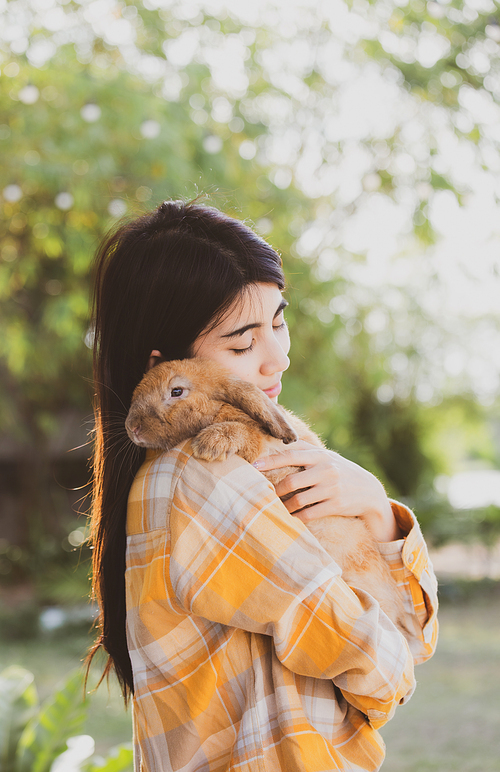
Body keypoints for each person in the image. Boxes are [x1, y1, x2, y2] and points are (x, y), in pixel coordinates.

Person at [88, 199, 438, 772]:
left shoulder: (221, 464)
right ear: (165, 368)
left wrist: (373, 508)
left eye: (278, 321)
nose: (277, 360)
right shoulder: (203, 472)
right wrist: (394, 661)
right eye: (242, 343)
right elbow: (379, 661)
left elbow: (400, 632)